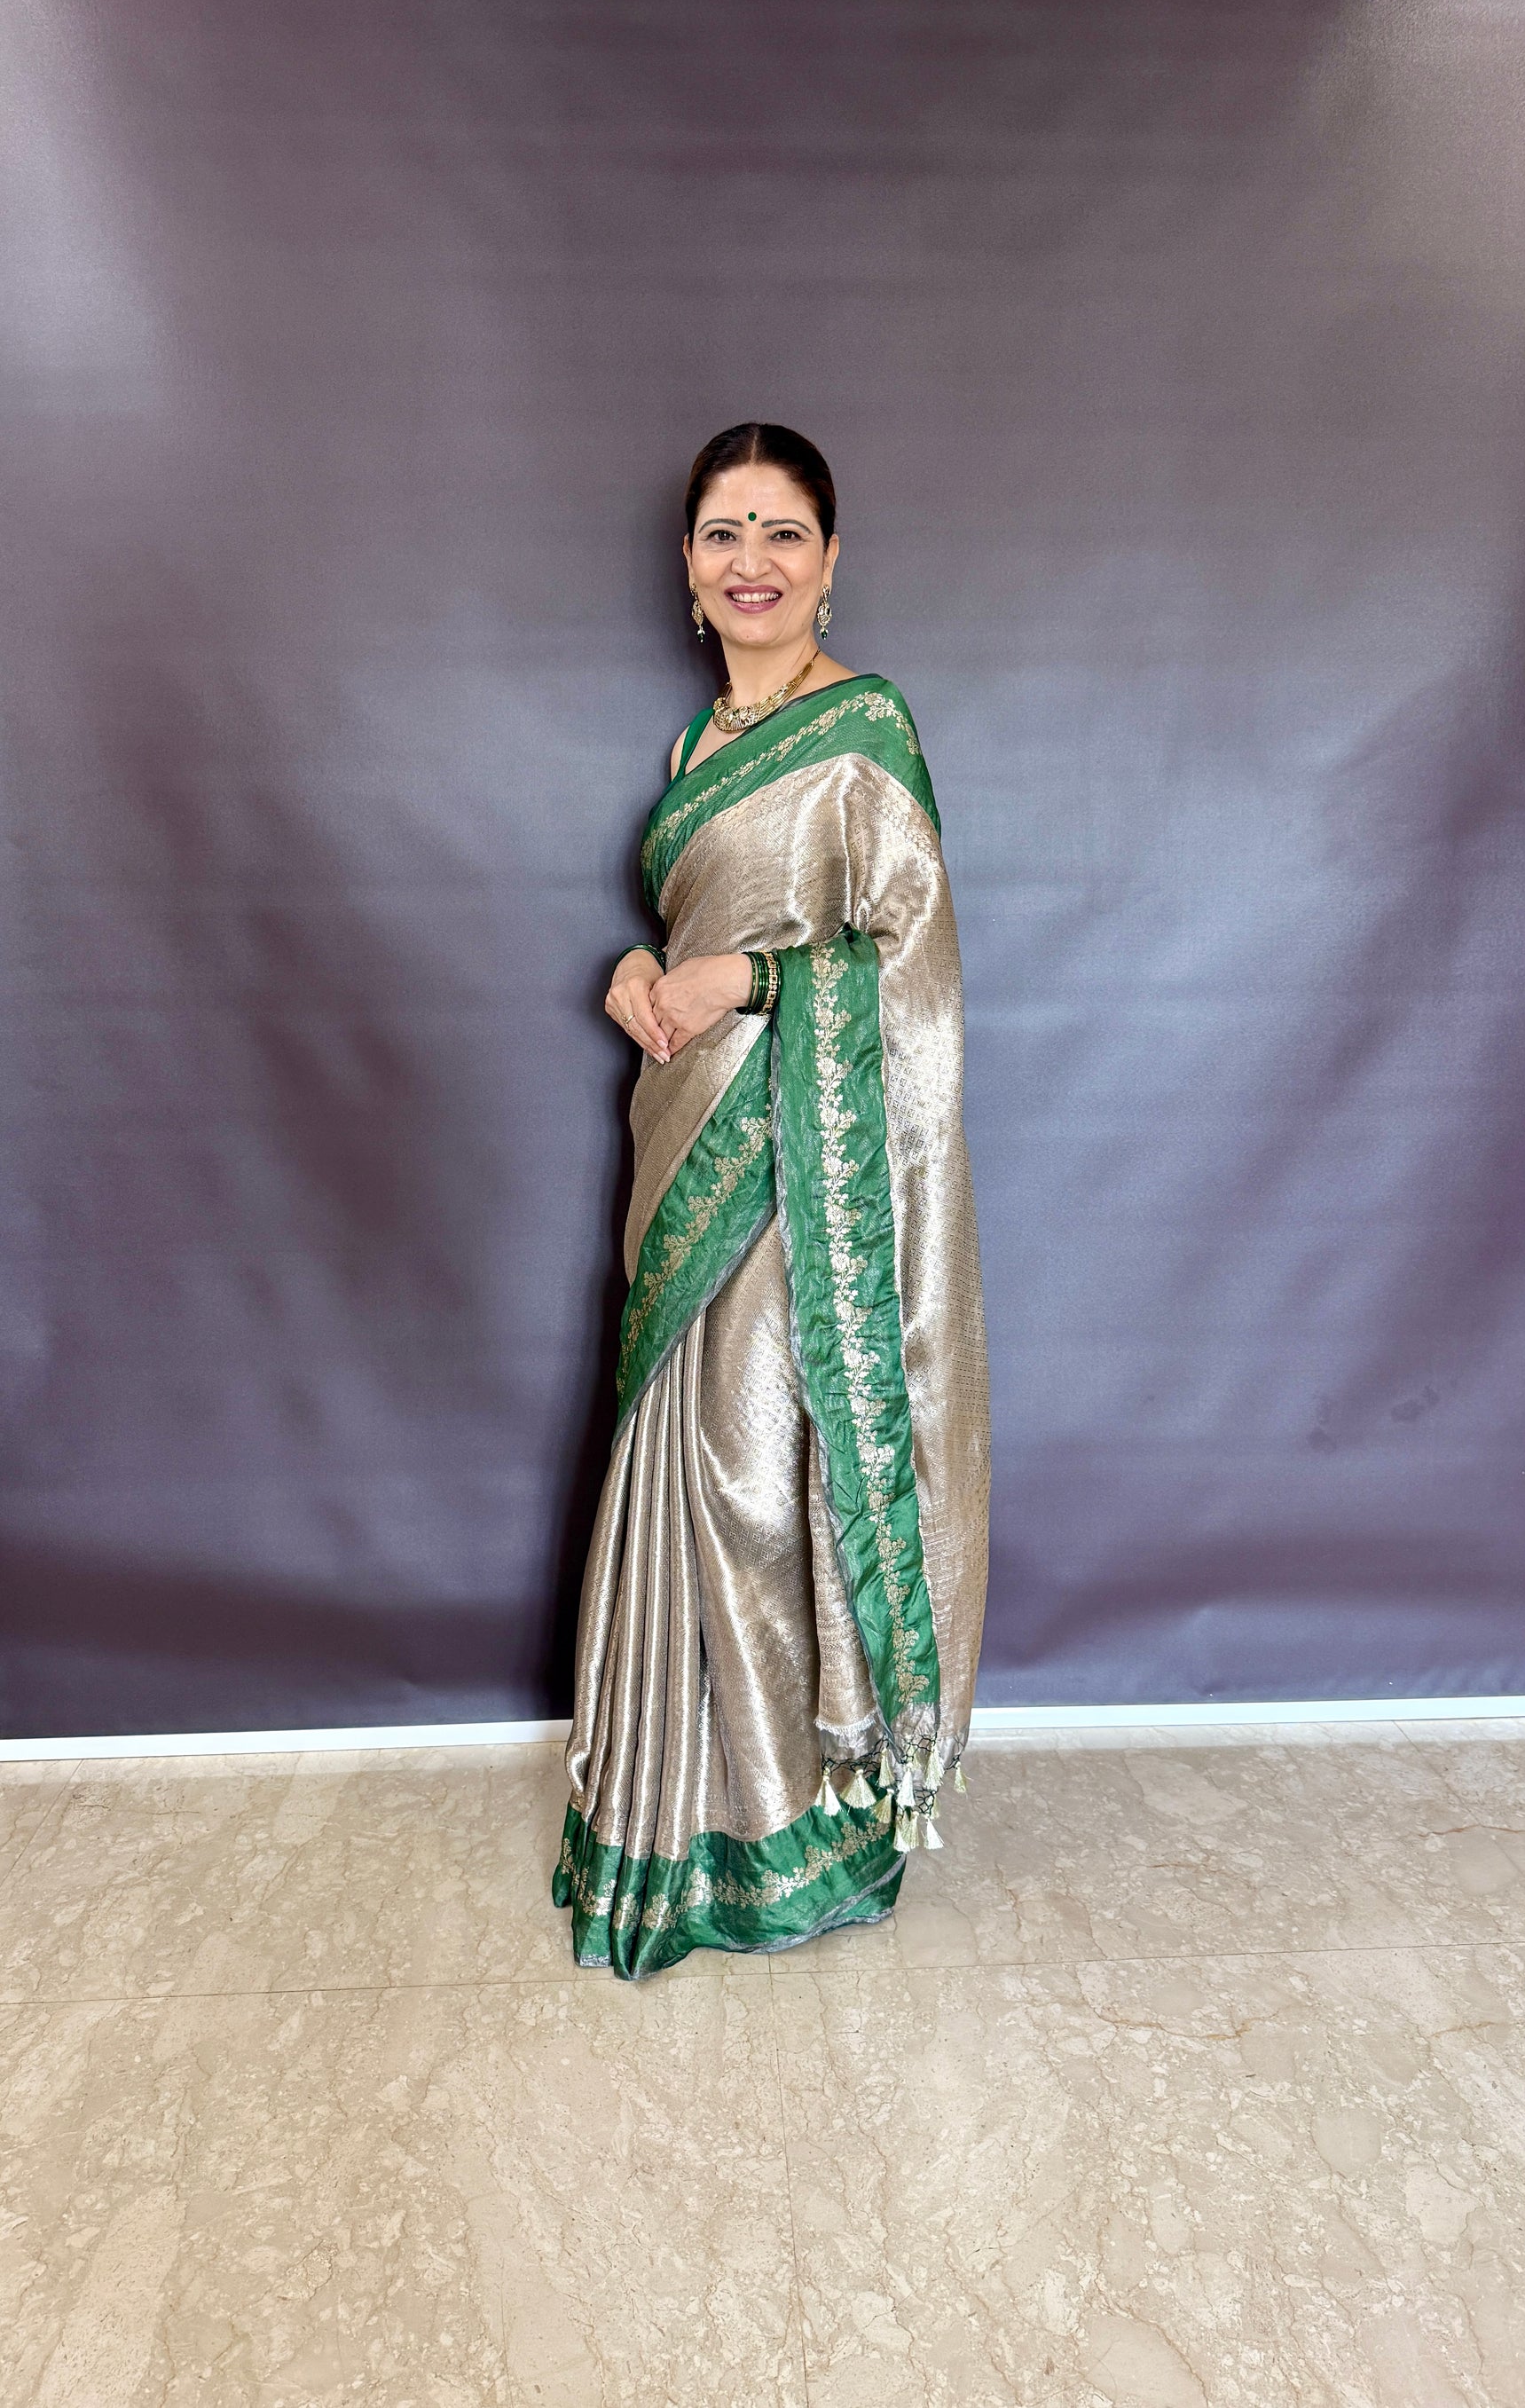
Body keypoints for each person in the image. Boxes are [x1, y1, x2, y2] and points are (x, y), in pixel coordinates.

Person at [554, 422, 989, 1979]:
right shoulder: (692, 751)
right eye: (724, 532)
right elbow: (682, 928)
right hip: (683, 1145)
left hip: (802, 1171)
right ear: (686, 564)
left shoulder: (864, 733)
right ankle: (668, 1810)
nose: (753, 561)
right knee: (679, 1467)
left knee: (755, 1475)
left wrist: (746, 978)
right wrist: (637, 967)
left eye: (783, 531)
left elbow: (914, 975)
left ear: (829, 559)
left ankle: (786, 1823)